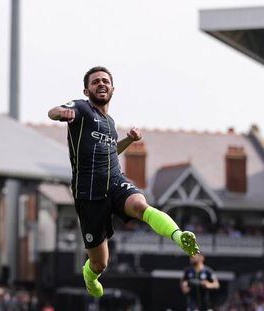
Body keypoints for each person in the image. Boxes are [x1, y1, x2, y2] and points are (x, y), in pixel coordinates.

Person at [48, 66, 199, 298]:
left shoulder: (110, 123)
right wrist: (60, 113)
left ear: (112, 89)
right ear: (86, 90)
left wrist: (128, 139)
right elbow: (53, 111)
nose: (101, 84)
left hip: (115, 182)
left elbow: (110, 151)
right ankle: (90, 276)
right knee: (100, 264)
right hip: (89, 195)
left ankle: (179, 236)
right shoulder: (81, 108)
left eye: (105, 81)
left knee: (140, 206)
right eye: (95, 81)